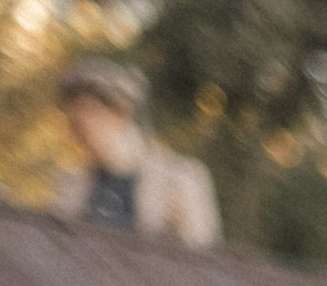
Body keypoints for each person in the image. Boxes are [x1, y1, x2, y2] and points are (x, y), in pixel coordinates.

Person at [50, 59, 219, 248]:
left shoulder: (181, 181)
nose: (77, 133)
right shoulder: (71, 185)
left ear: (119, 111)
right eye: (73, 122)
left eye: (85, 117)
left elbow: (201, 261)